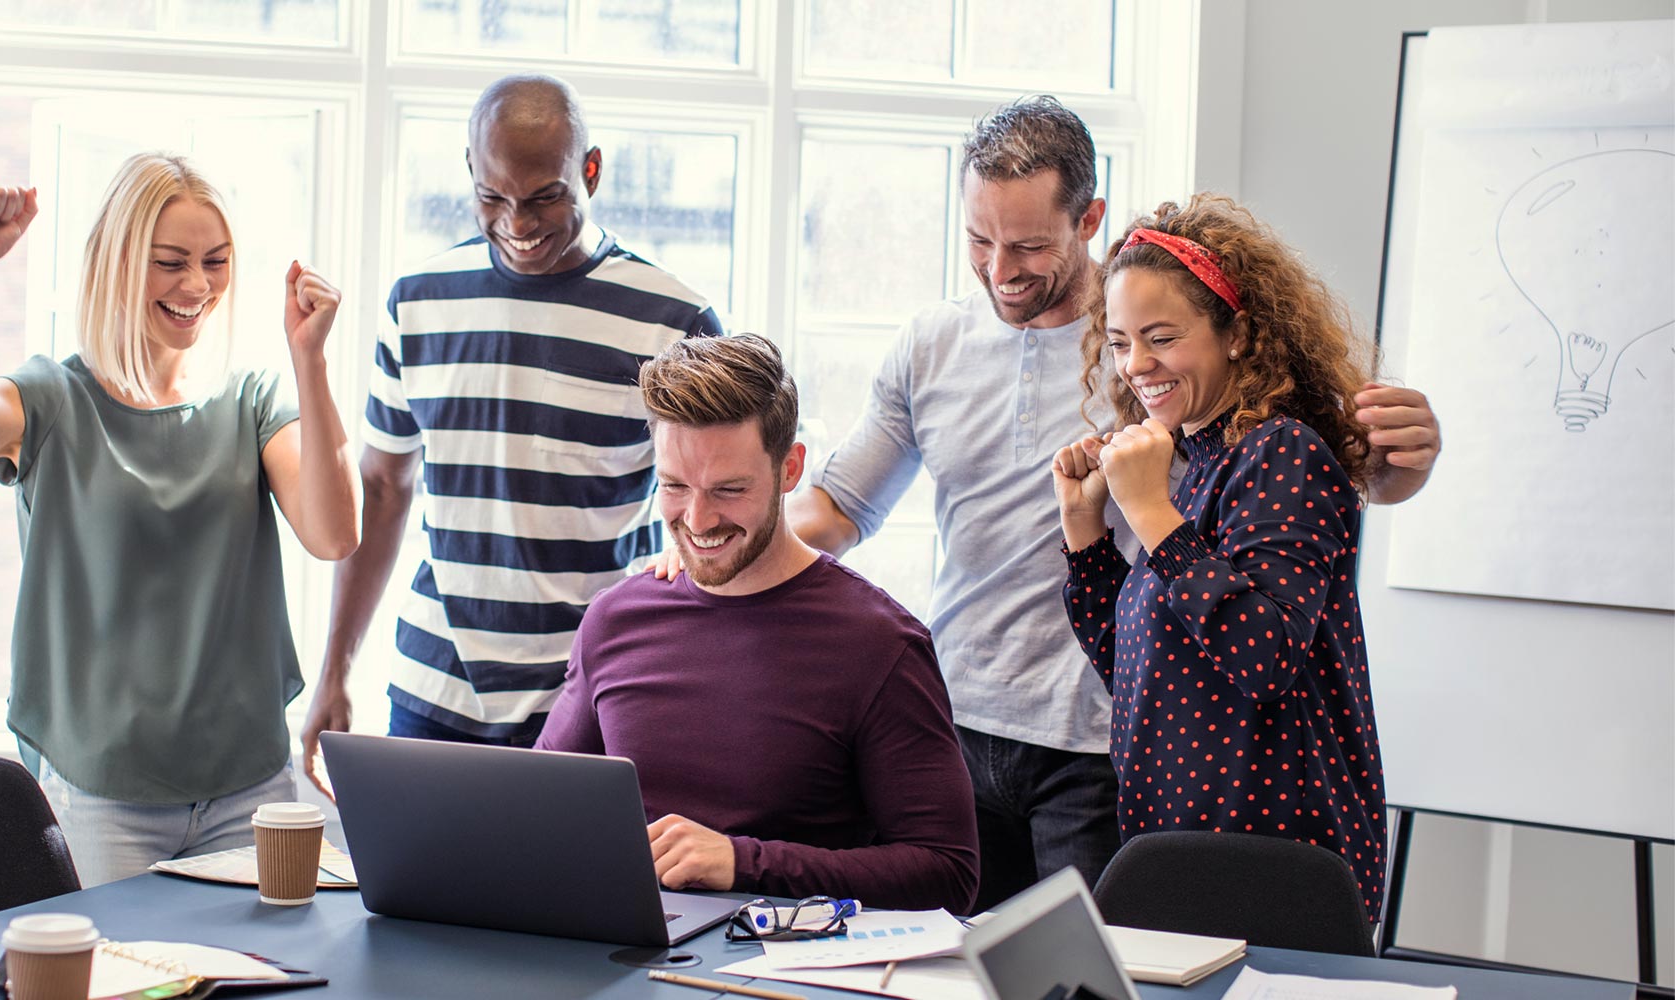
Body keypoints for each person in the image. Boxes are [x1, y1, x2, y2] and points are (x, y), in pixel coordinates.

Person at [780, 97, 1439, 911]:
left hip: (1145, 772)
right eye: (979, 243)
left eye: (1026, 245)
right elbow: (841, 510)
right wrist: (1086, 531)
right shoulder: (1146, 421)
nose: (999, 270)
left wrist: (1402, 464)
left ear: (1087, 217)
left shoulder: (1223, 404)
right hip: (998, 732)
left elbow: (1311, 541)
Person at [0, 153, 359, 886]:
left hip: (251, 788)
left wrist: (310, 362)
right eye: (171, 262)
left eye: (215, 262)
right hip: (105, 804)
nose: (197, 286)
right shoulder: (51, 401)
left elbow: (333, 534)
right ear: (118, 263)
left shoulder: (253, 401)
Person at [298, 73, 722, 787]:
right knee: (419, 900)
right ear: (470, 172)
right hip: (435, 695)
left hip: (599, 694)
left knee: (580, 901)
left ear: (590, 171)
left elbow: (711, 503)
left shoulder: (674, 320)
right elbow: (381, 489)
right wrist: (335, 669)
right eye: (493, 198)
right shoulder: (418, 302)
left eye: (543, 198)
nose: (518, 224)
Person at [537, 333, 979, 913]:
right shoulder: (616, 619)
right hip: (628, 951)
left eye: (729, 490)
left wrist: (744, 863)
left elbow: (947, 873)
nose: (697, 520)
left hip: (790, 969)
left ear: (789, 468)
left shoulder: (879, 643)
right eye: (674, 486)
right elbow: (541, 808)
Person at [1052, 194, 1388, 919]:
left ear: (1235, 333)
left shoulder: (1283, 452)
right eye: (1117, 342)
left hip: (1274, 854)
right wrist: (1087, 537)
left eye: (1161, 337)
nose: (1136, 366)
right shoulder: (1199, 466)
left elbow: (1263, 658)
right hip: (1176, 841)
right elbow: (1138, 669)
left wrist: (1149, 513)